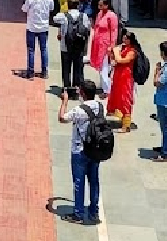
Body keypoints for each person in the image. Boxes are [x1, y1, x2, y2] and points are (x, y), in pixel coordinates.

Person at [57, 79, 105, 224]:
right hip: (95, 150)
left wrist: (64, 101)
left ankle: (78, 213)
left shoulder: (79, 110)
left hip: (80, 150)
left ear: (83, 93)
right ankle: (93, 212)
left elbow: (61, 118)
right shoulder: (100, 106)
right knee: (94, 181)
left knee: (79, 182)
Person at [53, 1, 90, 97]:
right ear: (78, 6)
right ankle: (76, 89)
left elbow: (54, 18)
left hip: (65, 47)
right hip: (79, 47)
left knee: (66, 68)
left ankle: (66, 88)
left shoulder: (63, 16)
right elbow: (87, 28)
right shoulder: (84, 16)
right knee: (78, 68)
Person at [22, 0, 56, 79]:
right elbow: (52, 8)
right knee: (44, 49)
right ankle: (44, 71)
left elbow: (24, 9)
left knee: (31, 49)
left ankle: (30, 72)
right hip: (44, 27)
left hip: (32, 27)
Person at [106, 32, 138, 132]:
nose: (123, 40)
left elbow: (121, 60)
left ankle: (126, 126)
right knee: (117, 96)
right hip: (118, 77)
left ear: (129, 40)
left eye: (125, 39)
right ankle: (118, 115)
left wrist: (115, 52)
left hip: (126, 79)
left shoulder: (132, 51)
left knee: (125, 100)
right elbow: (115, 60)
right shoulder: (123, 48)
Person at [89, 0, 119, 81]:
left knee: (105, 66)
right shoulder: (99, 14)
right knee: (100, 65)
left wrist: (111, 46)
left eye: (101, 5)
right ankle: (103, 85)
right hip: (98, 42)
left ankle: (106, 90)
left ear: (107, 5)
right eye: (99, 5)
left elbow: (114, 31)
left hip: (106, 44)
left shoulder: (112, 16)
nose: (99, 7)